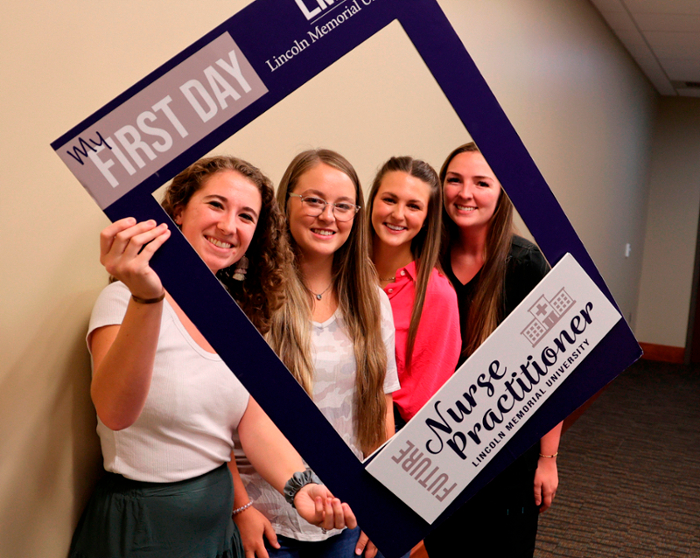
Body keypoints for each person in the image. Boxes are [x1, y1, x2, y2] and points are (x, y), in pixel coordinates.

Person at [69, 156, 357, 558]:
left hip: (216, 525)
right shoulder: (121, 300)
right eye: (216, 205)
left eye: (246, 216)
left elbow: (252, 420)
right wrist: (147, 297)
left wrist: (301, 488)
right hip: (145, 527)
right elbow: (114, 412)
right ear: (178, 211)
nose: (229, 226)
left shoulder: (234, 313)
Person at [233, 149, 400, 558]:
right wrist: (240, 508)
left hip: (348, 512)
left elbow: (380, 406)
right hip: (266, 516)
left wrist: (384, 505)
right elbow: (216, 417)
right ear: (284, 203)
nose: (329, 216)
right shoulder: (251, 297)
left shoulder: (373, 301)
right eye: (313, 200)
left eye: (343, 206)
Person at [423, 143, 562, 558]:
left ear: (501, 193)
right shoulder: (424, 258)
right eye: (454, 180)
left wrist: (548, 458)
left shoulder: (525, 263)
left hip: (507, 453)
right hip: (436, 448)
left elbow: (552, 368)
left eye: (481, 183)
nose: (465, 193)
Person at [366, 156, 461, 427]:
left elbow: (422, 405)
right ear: (372, 200)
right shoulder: (339, 269)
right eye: (389, 200)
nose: (398, 214)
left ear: (428, 218)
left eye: (413, 206)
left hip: (383, 433)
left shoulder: (438, 295)